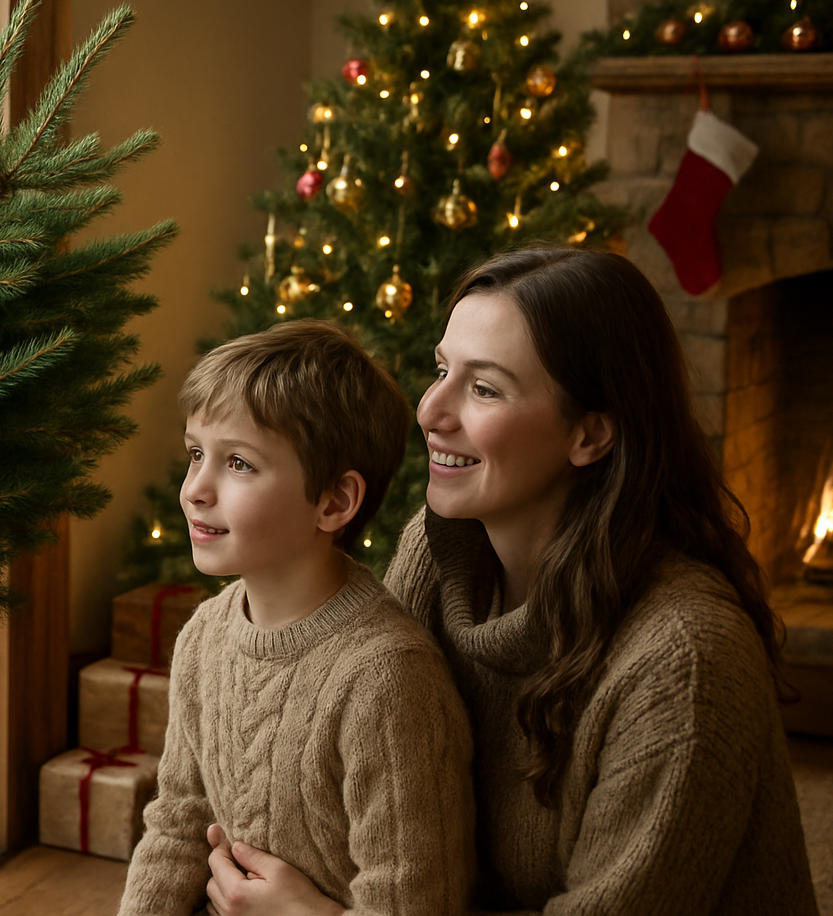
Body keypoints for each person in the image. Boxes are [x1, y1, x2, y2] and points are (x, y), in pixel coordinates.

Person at [376, 246, 814, 913]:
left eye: (484, 388)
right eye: (441, 370)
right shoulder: (435, 553)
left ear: (591, 435)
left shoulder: (685, 659)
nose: (430, 410)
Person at [117, 319, 475, 916]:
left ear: (335, 502)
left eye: (239, 464)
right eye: (197, 453)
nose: (194, 490)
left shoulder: (386, 681)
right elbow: (178, 824)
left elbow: (413, 902)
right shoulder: (203, 638)